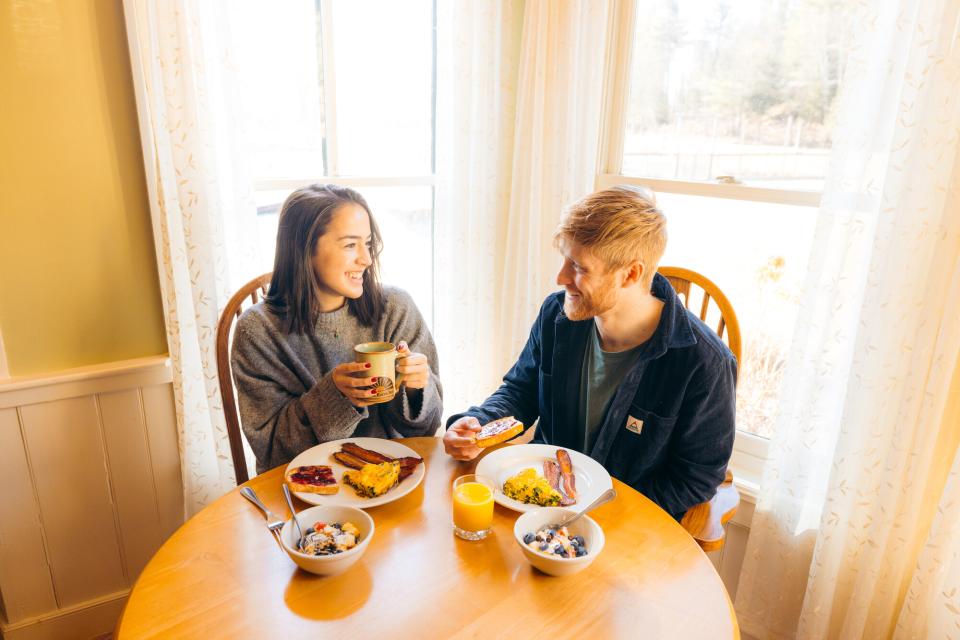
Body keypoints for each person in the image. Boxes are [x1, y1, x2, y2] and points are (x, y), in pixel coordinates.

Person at [443, 186, 736, 520]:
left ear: (631, 273)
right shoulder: (557, 316)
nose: (561, 277)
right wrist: (478, 424)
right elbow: (521, 393)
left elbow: (696, 476)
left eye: (579, 268)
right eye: (565, 260)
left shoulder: (705, 364)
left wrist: (602, 515)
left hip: (626, 528)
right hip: (539, 509)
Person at [232, 184, 442, 474]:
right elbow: (272, 451)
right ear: (304, 249)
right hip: (306, 491)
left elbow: (427, 430)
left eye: (367, 243)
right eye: (349, 244)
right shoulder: (258, 331)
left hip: (393, 481)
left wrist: (417, 388)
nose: (366, 259)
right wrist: (335, 397)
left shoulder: (395, 308)